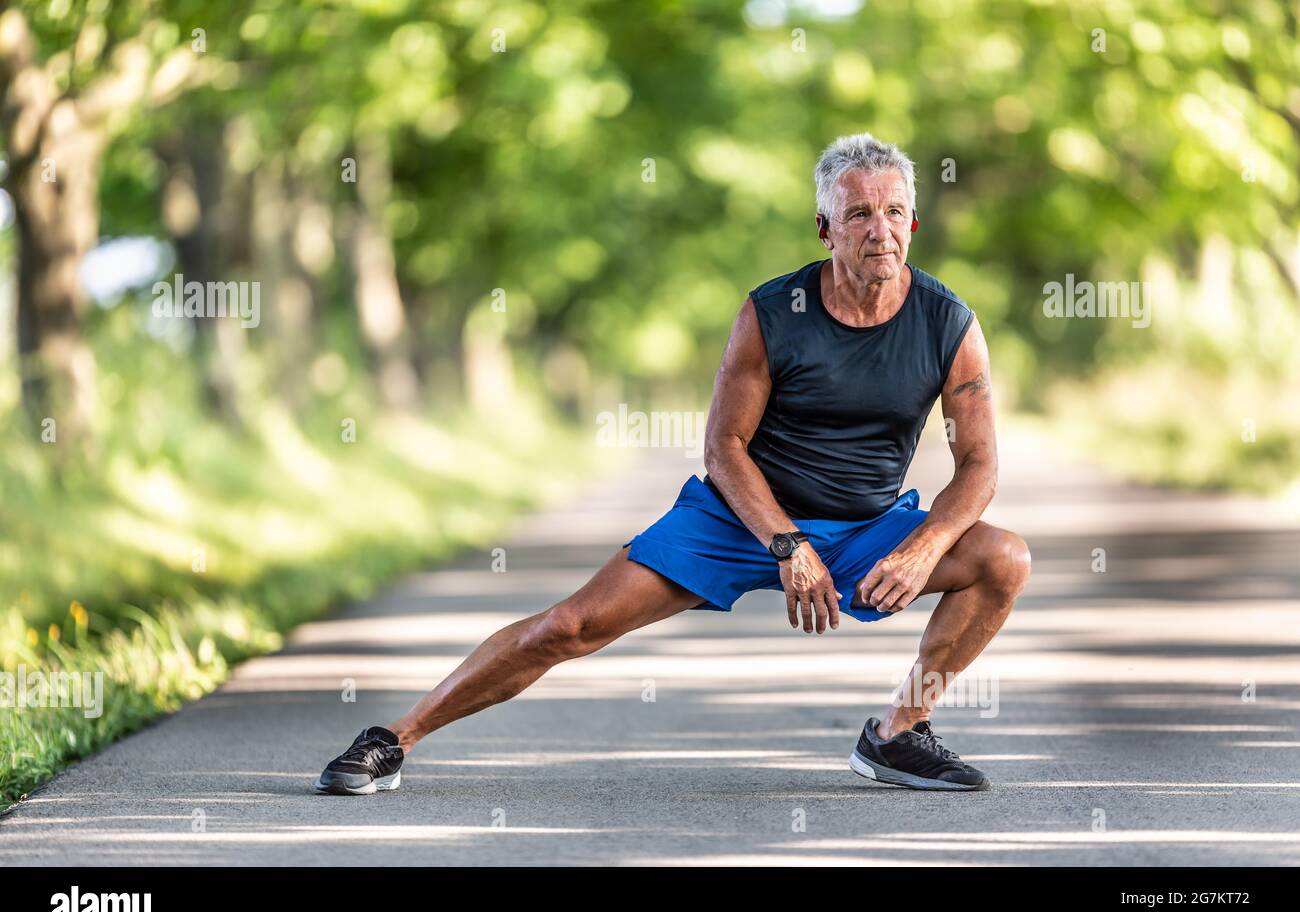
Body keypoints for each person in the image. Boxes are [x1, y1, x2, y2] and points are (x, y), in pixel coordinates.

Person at [314, 132, 1031, 796]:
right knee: (570, 626)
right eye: (859, 214)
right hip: (738, 519)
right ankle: (392, 739)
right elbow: (723, 448)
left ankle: (898, 734)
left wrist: (923, 547)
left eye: (895, 212)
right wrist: (787, 545)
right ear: (825, 228)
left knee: (1004, 558)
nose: (879, 229)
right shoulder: (772, 313)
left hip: (865, 528)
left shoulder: (948, 323)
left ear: (914, 223)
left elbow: (978, 465)